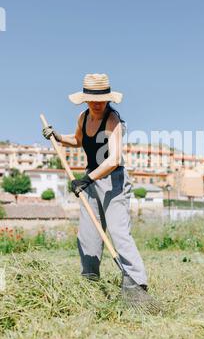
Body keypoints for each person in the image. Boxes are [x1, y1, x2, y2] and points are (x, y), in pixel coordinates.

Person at [42, 73, 148, 289]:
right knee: (88, 235)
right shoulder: (83, 117)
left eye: (102, 99)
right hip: (90, 179)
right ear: (85, 99)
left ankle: (137, 283)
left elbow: (114, 158)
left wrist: (86, 179)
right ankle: (90, 281)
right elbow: (78, 140)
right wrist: (58, 137)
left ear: (108, 99)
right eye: (93, 99)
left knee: (119, 232)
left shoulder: (113, 119)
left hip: (113, 181)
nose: (97, 104)